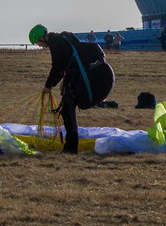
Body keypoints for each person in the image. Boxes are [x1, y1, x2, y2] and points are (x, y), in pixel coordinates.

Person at [29, 24, 115, 154]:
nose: (39, 46)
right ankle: (70, 147)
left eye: (37, 43)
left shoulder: (56, 42)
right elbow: (61, 66)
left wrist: (48, 86)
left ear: (41, 37)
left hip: (77, 80)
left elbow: (56, 67)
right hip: (76, 78)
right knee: (66, 111)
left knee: (67, 112)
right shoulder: (61, 39)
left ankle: (71, 148)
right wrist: (51, 85)